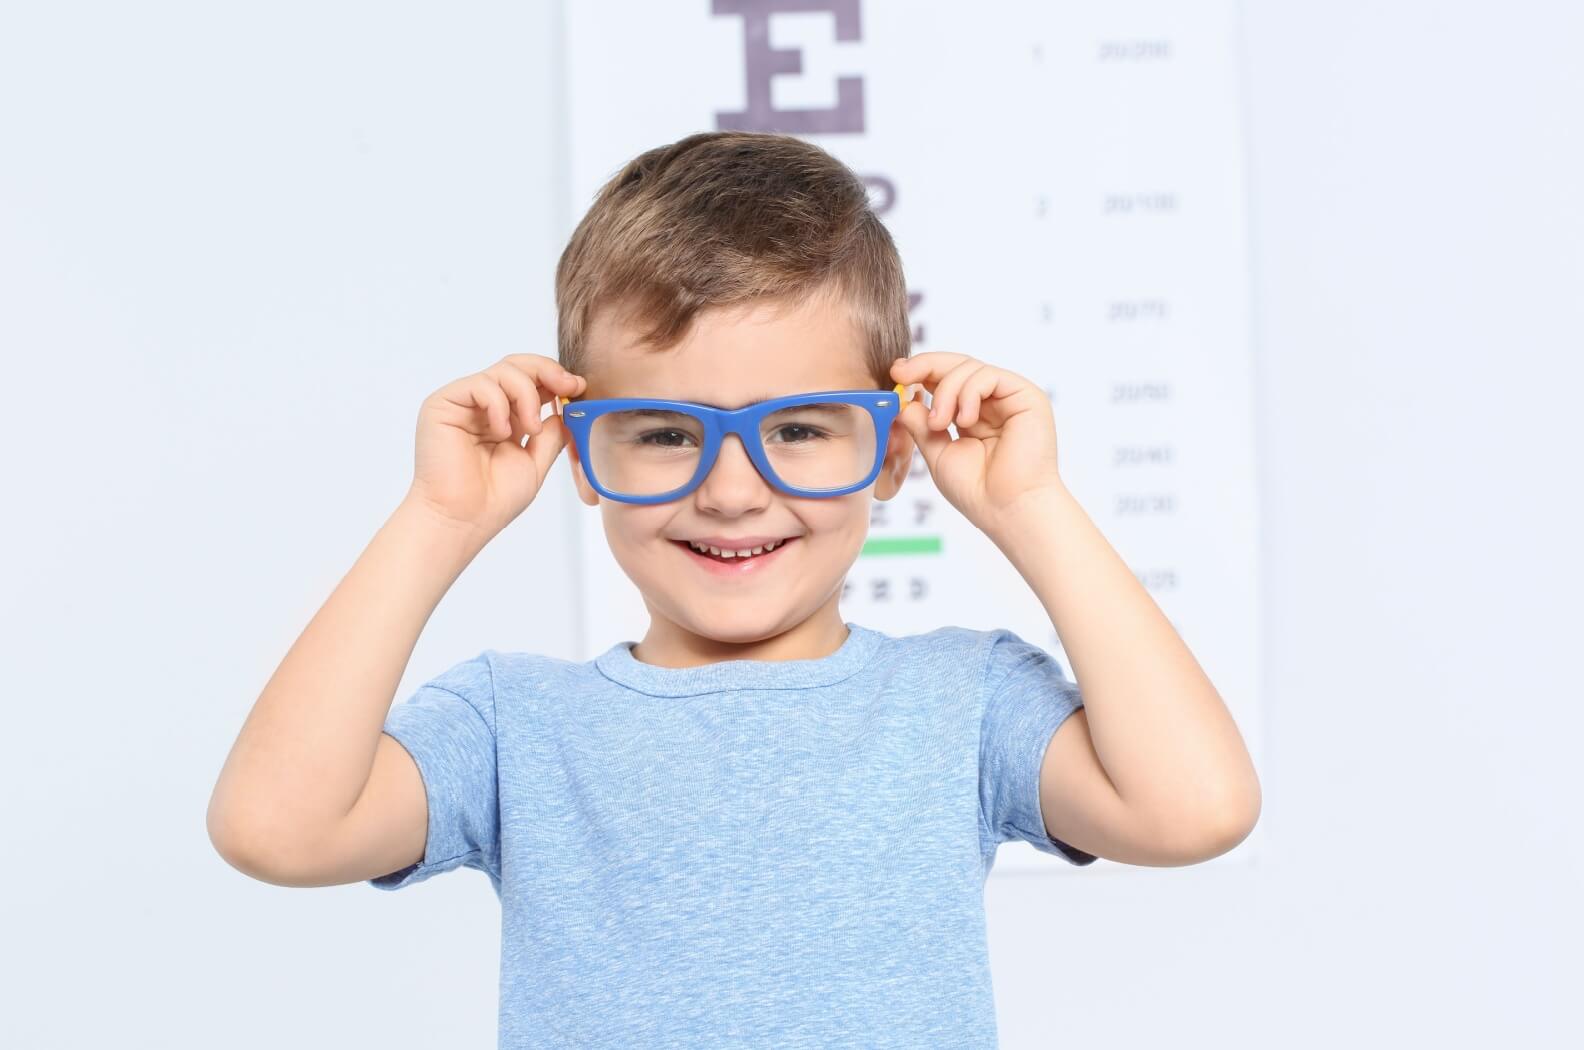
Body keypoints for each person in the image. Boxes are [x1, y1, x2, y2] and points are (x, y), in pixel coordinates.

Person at [207, 130, 1260, 1047]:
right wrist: (437, 522)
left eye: (796, 430)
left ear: (893, 449)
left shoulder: (960, 703)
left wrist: (1029, 505)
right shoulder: (513, 725)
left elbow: (1195, 810)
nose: (730, 490)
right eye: (665, 434)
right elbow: (276, 829)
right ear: (580, 453)